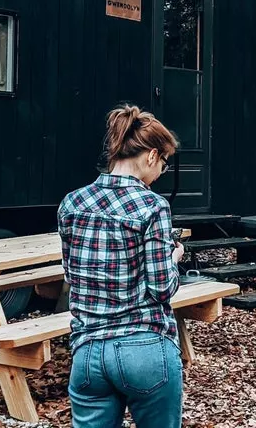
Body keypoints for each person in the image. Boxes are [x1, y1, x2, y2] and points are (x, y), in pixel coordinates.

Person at [57, 104, 187, 428]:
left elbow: (73, 276)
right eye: (164, 164)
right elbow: (160, 289)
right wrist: (173, 259)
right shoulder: (153, 206)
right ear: (151, 156)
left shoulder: (72, 203)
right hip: (145, 349)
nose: (160, 174)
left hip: (87, 353)